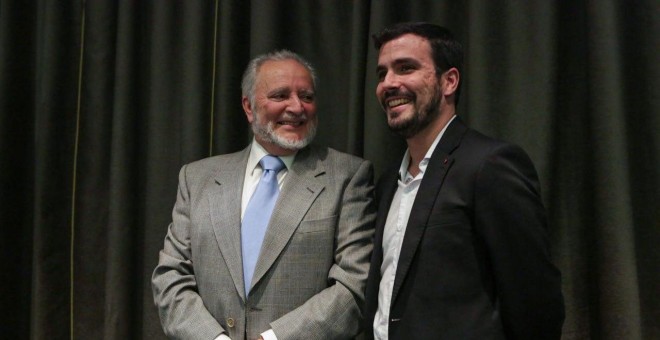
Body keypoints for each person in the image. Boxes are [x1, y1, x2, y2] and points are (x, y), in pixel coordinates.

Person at [152, 50, 376, 340]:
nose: (296, 107)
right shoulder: (198, 179)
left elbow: (354, 286)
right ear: (248, 106)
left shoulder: (347, 177)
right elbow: (170, 277)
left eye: (306, 96)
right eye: (281, 95)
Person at [363, 22, 565, 339]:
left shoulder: (490, 166)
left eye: (405, 68)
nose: (388, 83)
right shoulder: (388, 183)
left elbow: (536, 303)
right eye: (382, 73)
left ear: (449, 81)